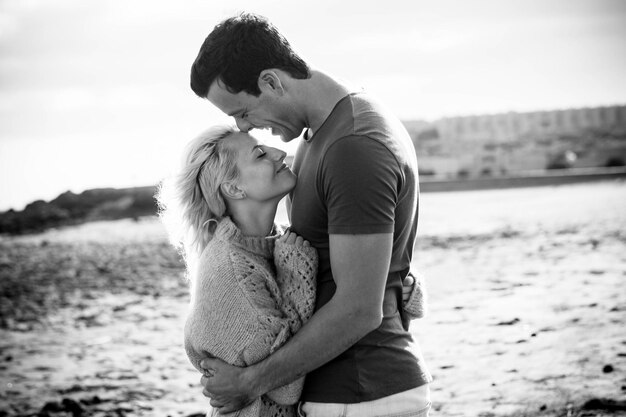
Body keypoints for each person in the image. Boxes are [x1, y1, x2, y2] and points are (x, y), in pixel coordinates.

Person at [190, 12, 432, 417]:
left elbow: (358, 308)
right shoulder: (323, 134)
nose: (243, 127)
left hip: (362, 394)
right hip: (347, 394)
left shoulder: (352, 145)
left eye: (243, 112)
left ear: (271, 81)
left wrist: (249, 383)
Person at [157, 125, 319, 417]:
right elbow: (286, 388)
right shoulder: (230, 272)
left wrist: (397, 287)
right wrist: (297, 275)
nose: (280, 152)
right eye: (260, 154)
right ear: (233, 188)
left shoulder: (279, 242)